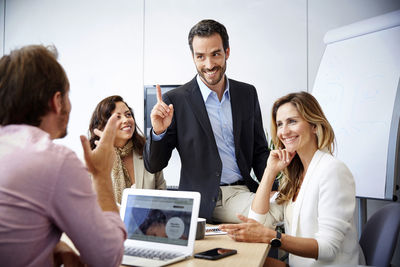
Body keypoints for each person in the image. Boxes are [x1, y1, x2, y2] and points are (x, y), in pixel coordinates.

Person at [0, 45, 127, 267]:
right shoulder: (54, 160)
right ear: (57, 101)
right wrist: (101, 174)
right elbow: (106, 258)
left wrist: (51, 245)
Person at [143, 19, 270, 222]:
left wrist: (274, 188)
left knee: (288, 206)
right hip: (204, 200)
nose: (209, 65)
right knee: (268, 217)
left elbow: (259, 151)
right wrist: (159, 132)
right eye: (200, 56)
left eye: (215, 54)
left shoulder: (247, 93)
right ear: (192, 57)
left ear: (227, 52)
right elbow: (154, 165)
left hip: (244, 191)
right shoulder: (176, 100)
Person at [219, 92, 365, 266]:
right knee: (238, 262)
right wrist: (269, 171)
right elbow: (257, 221)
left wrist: (271, 236)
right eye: (280, 124)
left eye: (292, 121)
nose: (284, 131)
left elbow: (328, 248)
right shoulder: (295, 175)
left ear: (314, 126)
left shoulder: (333, 171)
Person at [89, 95, 166, 204]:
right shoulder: (92, 161)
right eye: (117, 117)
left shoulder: (148, 153)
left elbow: (163, 197)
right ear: (103, 126)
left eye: (128, 114)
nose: (126, 120)